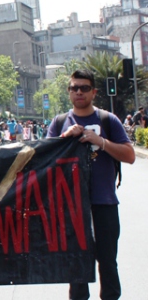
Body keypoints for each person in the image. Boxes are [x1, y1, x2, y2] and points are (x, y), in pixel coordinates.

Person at [47, 69, 134, 300]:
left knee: (107, 263)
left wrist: (101, 141)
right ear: (68, 92)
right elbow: (44, 161)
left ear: (93, 92)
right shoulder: (58, 123)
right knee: (76, 266)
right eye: (74, 88)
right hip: (71, 207)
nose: (79, 92)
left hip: (104, 203)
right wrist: (64, 138)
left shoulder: (108, 120)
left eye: (84, 88)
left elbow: (130, 155)